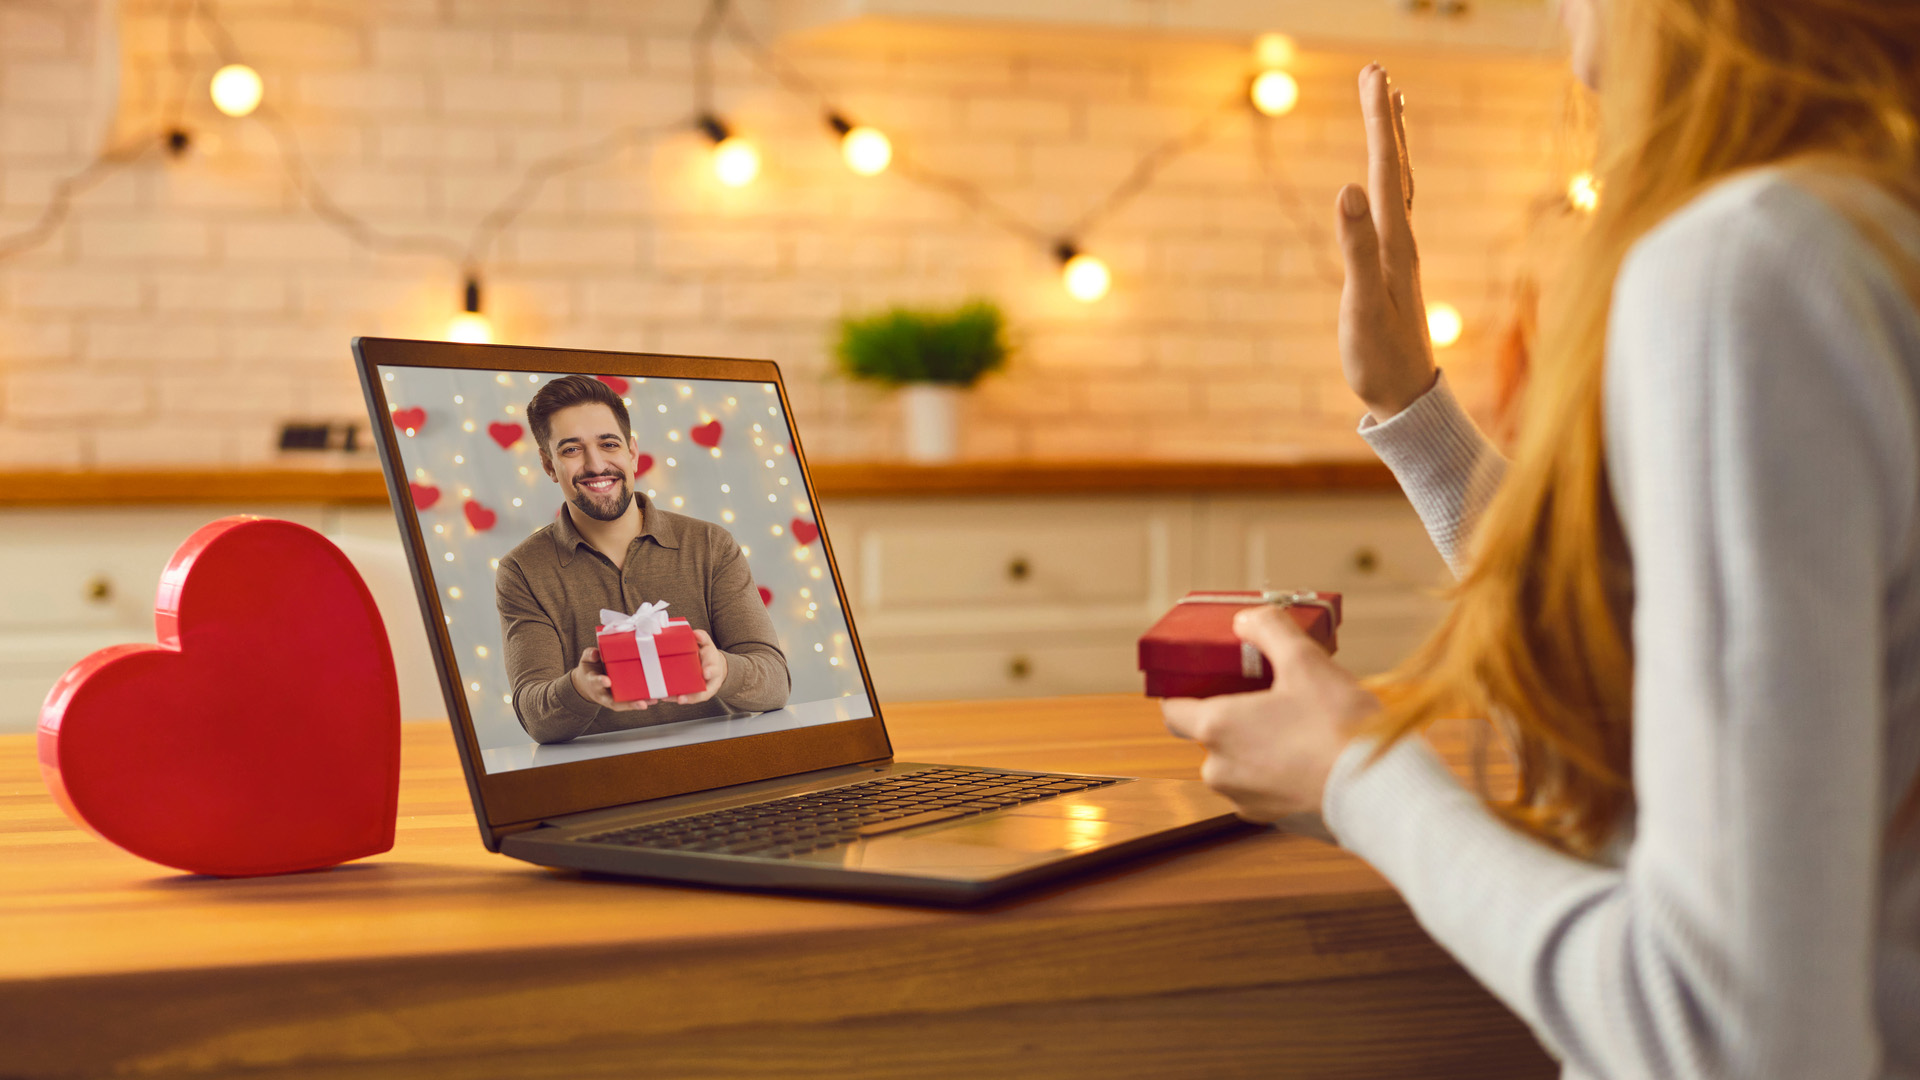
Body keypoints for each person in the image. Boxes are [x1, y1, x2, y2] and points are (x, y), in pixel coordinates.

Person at [1162, 1, 1920, 1076]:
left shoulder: (1752, 263)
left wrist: (1356, 777)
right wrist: (1416, 413)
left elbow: (1719, 1039)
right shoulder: (1875, 232)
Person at [495, 375, 789, 744]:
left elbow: (775, 681)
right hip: (602, 782)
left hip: (721, 769)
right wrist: (580, 687)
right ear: (549, 465)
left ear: (632, 452)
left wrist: (722, 669)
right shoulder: (522, 571)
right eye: (571, 450)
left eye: (609, 444)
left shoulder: (711, 545)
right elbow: (535, 716)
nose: (596, 464)